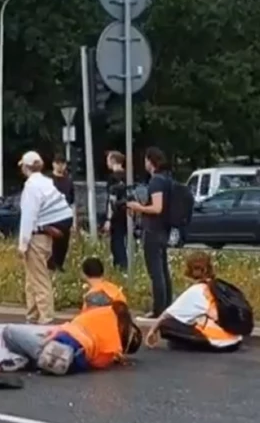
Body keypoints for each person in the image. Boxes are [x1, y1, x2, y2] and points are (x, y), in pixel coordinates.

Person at [0, 300, 141, 375]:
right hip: (74, 362)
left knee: (9, 331)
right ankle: (37, 361)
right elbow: (96, 363)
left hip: (62, 345)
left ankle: (33, 358)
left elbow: (73, 325)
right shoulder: (113, 348)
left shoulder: (105, 313)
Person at [16, 151, 74, 324]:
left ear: (26, 167)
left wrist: (22, 244)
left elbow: (29, 216)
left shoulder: (32, 187)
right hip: (46, 236)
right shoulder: (47, 183)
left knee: (39, 280)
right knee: (32, 278)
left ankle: (46, 318)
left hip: (36, 237)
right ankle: (32, 315)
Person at [145, 252, 244, 352]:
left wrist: (152, 331)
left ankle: (187, 345)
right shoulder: (217, 287)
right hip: (235, 341)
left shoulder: (196, 290)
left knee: (166, 324)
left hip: (219, 342)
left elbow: (168, 314)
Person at [125, 147, 174, 316]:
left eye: (146, 160)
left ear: (150, 161)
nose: (144, 163)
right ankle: (167, 306)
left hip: (153, 230)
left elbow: (157, 208)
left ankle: (159, 309)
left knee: (156, 273)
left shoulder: (156, 181)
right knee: (163, 270)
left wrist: (137, 207)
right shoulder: (168, 179)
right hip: (164, 230)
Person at [101, 151, 130, 272]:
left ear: (113, 161)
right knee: (123, 241)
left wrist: (108, 219)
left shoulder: (113, 178)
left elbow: (111, 200)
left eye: (108, 159)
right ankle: (125, 266)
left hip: (116, 214)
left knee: (116, 243)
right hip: (127, 213)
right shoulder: (128, 176)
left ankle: (121, 267)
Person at [48, 157, 75, 272]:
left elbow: (72, 201)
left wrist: (74, 220)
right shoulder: (49, 180)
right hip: (51, 214)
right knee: (52, 241)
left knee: (64, 242)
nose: (60, 166)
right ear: (53, 164)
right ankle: (51, 264)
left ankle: (59, 264)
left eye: (62, 164)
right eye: (58, 163)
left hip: (65, 215)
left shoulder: (68, 181)